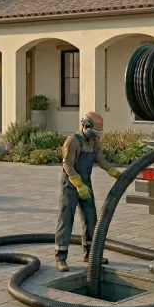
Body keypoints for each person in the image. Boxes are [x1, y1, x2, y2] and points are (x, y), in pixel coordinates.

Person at [55, 111, 123, 272]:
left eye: (97, 133)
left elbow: (100, 159)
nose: (94, 136)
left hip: (86, 184)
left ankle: (90, 254)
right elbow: (68, 164)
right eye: (93, 132)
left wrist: (113, 171)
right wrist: (78, 184)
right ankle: (60, 258)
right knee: (66, 220)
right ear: (85, 126)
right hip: (70, 185)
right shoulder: (72, 141)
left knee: (91, 219)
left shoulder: (94, 141)